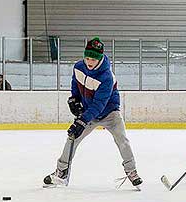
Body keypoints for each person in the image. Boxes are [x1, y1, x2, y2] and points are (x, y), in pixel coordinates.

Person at [43, 37, 142, 188]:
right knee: (72, 138)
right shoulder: (78, 67)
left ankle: (131, 171)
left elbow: (99, 104)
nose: (89, 61)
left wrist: (82, 121)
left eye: (93, 59)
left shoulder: (106, 77)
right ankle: (61, 173)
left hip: (109, 113)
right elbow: (76, 85)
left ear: (100, 58)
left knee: (122, 140)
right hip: (89, 111)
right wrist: (74, 100)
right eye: (87, 57)